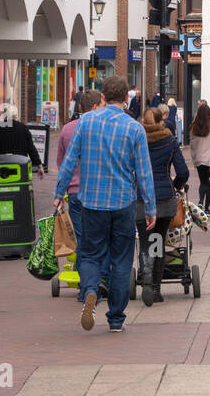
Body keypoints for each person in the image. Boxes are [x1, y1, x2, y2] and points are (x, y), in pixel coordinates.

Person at [54, 75, 155, 333]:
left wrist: (59, 191)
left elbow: (70, 161)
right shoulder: (134, 128)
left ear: (102, 97)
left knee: (89, 253)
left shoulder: (86, 122)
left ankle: (90, 290)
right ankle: (116, 319)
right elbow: (143, 172)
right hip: (123, 203)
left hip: (91, 202)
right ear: (126, 99)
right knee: (121, 260)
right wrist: (150, 207)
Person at [136, 107, 189, 306]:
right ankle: (156, 288)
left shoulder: (137, 140)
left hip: (141, 198)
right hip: (164, 199)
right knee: (158, 240)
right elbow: (183, 171)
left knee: (145, 242)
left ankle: (146, 281)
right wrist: (175, 186)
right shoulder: (170, 141)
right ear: (161, 122)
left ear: (143, 122)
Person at [58, 90, 103, 249]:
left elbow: (61, 162)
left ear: (80, 106)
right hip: (97, 191)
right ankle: (97, 271)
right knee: (97, 236)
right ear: (96, 107)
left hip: (74, 192)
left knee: (80, 237)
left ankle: (82, 270)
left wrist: (60, 193)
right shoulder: (102, 128)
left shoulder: (67, 129)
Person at [0, 103, 45, 178]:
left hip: (1, 171)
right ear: (15, 114)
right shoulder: (23, 128)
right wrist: (39, 166)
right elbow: (31, 149)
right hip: (20, 169)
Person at [188, 103, 210, 215]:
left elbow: (192, 145)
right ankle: (207, 208)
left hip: (199, 160)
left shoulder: (194, 127)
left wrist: (194, 159)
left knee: (203, 182)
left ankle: (200, 201)